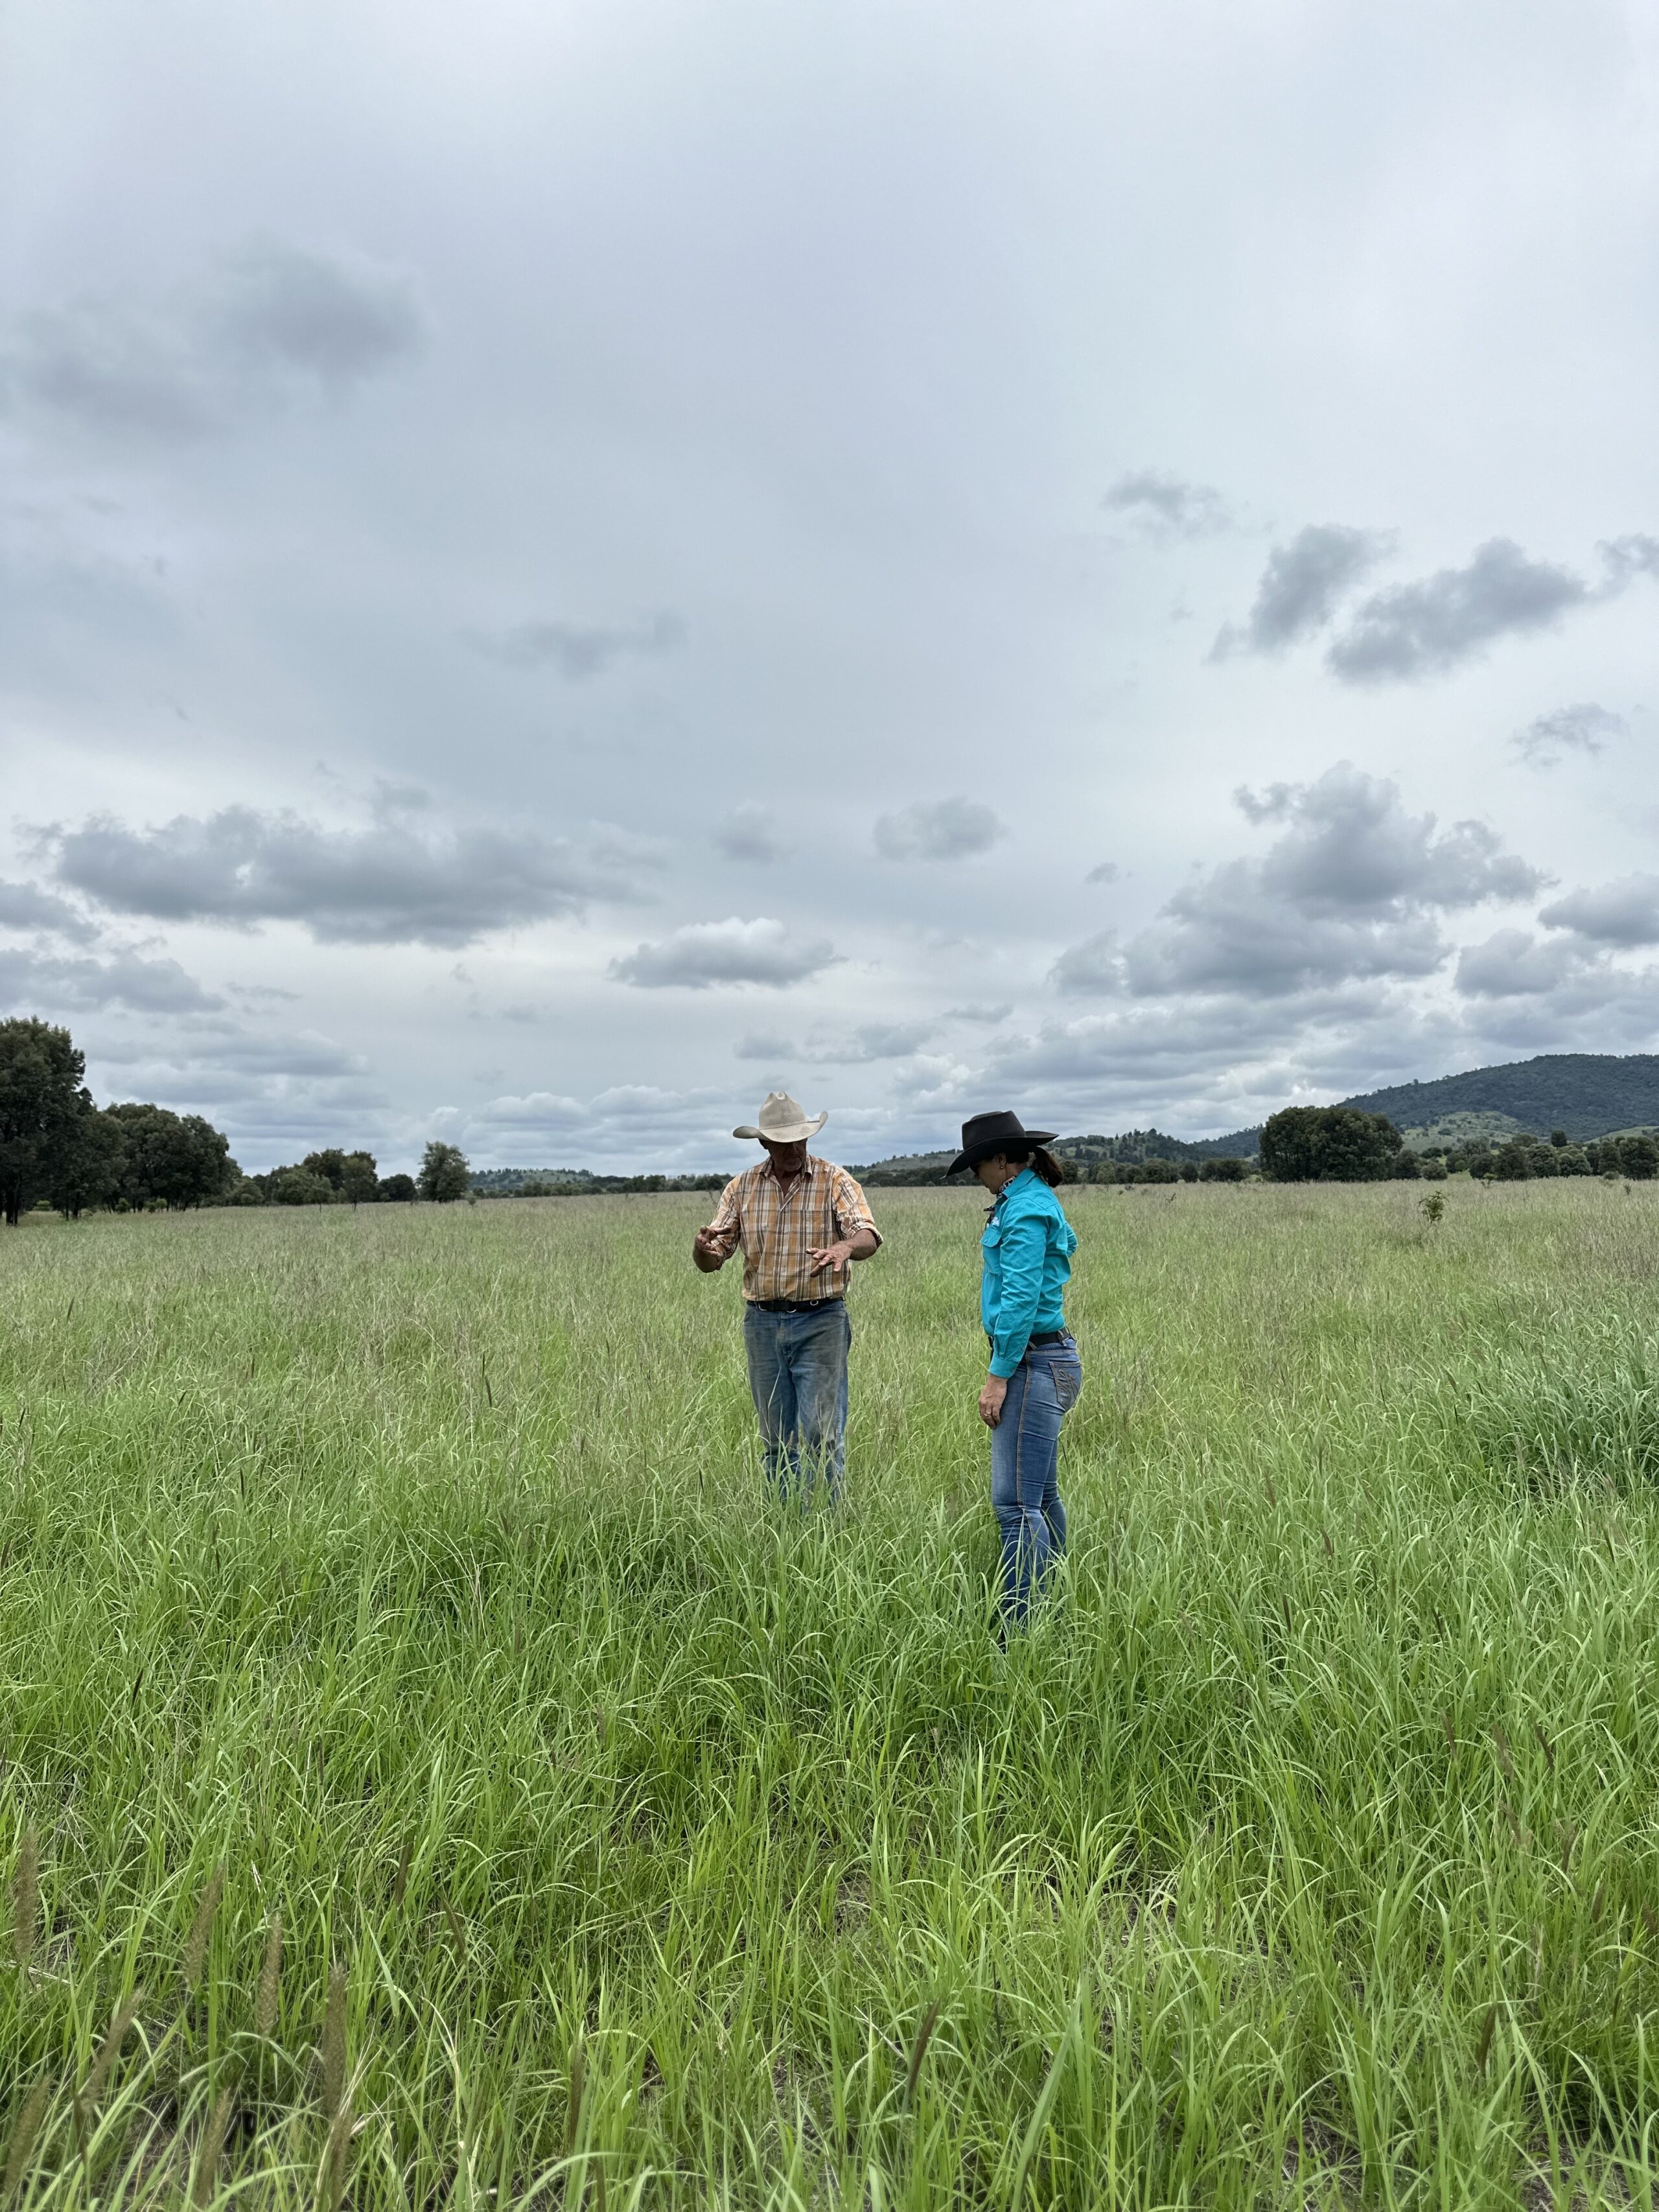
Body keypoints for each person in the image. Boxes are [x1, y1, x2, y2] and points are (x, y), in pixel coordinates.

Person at [693, 1091, 881, 1502]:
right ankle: (785, 1520)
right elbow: (713, 1258)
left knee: (821, 1434)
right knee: (776, 1438)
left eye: (801, 1139)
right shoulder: (741, 1188)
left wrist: (846, 1248)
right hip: (762, 1323)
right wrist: (701, 1250)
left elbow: (867, 1234)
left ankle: (826, 1528)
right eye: (784, 1142)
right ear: (765, 1144)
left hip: (822, 1320)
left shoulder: (835, 1180)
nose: (795, 1149)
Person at [946, 1109, 1082, 1624]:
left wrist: (997, 1376)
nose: (976, 1177)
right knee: (1041, 1496)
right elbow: (1069, 1245)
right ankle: (1052, 1606)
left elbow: (1021, 1300)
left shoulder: (1024, 1210)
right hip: (1054, 1358)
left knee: (1014, 1506)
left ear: (1002, 1160)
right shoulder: (1034, 1199)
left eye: (979, 1165)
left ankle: (1019, 1629)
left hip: (1032, 1364)